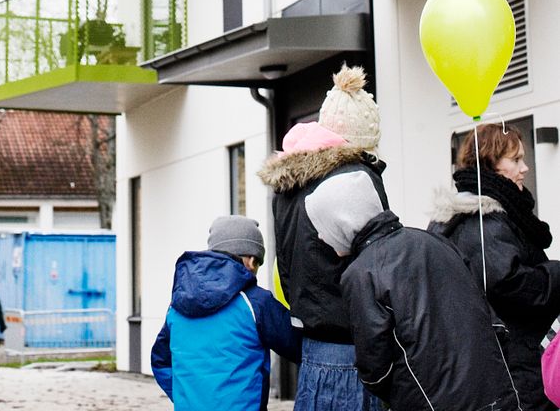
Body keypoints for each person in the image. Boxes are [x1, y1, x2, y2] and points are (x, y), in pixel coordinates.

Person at [305, 170, 521, 411]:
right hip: (496, 394)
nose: (321, 236)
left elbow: (376, 369)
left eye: (323, 227)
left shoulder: (361, 274)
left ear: (341, 222)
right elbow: (488, 317)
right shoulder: (433, 240)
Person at [258, 64, 387, 411]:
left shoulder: (290, 187)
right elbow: (380, 268)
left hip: (313, 351)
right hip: (352, 351)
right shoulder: (351, 180)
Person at [429, 122, 560, 411]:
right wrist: (556, 274)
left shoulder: (478, 215)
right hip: (513, 363)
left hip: (500, 359)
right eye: (515, 160)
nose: (524, 168)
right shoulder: (481, 220)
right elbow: (507, 283)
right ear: (489, 165)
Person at [151, 214, 301, 411]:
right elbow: (298, 347)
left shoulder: (178, 303)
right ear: (250, 259)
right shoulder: (255, 302)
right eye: (258, 263)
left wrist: (186, 397)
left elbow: (160, 362)